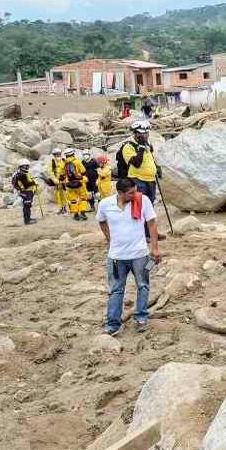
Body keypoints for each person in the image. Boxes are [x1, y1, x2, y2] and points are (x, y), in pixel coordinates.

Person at [97, 177, 161, 336]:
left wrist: (154, 248)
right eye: (131, 193)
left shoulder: (142, 200)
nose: (135, 195)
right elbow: (101, 221)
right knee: (115, 290)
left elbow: (152, 224)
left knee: (143, 285)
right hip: (116, 257)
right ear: (120, 193)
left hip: (140, 254)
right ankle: (113, 324)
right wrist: (109, 238)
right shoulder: (105, 204)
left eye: (135, 191)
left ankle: (141, 317)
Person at [119, 120, 159, 205]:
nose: (146, 135)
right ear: (136, 134)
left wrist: (156, 168)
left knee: (149, 205)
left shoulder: (147, 144)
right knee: (138, 206)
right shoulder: (128, 147)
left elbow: (149, 159)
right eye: (143, 133)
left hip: (151, 180)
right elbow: (137, 164)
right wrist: (141, 147)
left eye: (147, 133)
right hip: (138, 181)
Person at [63, 148, 90, 221]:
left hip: (69, 184)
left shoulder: (64, 163)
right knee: (83, 197)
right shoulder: (77, 162)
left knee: (73, 199)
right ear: (73, 154)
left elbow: (62, 174)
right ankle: (82, 213)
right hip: (79, 183)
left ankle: (76, 214)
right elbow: (83, 171)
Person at [11, 160, 38, 225]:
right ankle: (27, 220)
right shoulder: (21, 175)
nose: (26, 168)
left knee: (28, 205)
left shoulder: (23, 173)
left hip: (28, 191)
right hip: (26, 192)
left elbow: (27, 181)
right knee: (27, 205)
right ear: (21, 167)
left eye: (27, 166)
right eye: (25, 166)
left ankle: (28, 218)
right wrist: (34, 182)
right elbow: (26, 184)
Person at [47, 148, 67, 214]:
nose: (58, 155)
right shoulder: (52, 162)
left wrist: (65, 179)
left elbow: (67, 170)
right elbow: (50, 172)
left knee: (64, 194)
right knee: (58, 195)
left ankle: (64, 207)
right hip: (57, 181)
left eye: (59, 154)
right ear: (54, 155)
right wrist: (56, 180)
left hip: (64, 180)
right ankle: (60, 208)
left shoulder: (64, 161)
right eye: (56, 154)